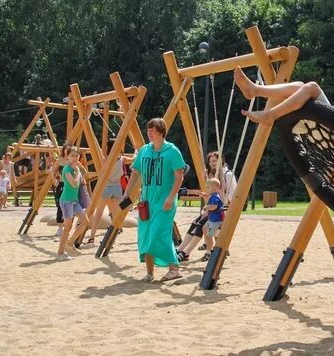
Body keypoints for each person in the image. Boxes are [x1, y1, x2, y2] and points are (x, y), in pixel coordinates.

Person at [234, 59, 334, 132]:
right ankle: (255, 90)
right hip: (333, 127)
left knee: (312, 87)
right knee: (300, 86)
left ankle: (269, 115)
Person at [121, 118, 186, 282]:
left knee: (159, 234)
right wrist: (126, 194)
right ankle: (150, 273)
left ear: (161, 132)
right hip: (147, 202)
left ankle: (174, 268)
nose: (149, 134)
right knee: (145, 235)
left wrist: (171, 198)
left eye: (153, 131)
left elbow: (179, 176)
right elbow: (135, 173)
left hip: (165, 201)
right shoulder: (144, 150)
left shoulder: (172, 151)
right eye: (148, 130)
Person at [175, 151, 237, 261]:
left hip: (223, 210)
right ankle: (181, 249)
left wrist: (223, 194)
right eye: (210, 161)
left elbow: (234, 196)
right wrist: (205, 182)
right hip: (214, 209)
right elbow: (211, 195)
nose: (212, 163)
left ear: (221, 160)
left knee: (201, 225)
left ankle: (186, 252)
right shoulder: (214, 175)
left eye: (215, 160)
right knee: (195, 223)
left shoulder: (228, 175)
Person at [83, 138, 130, 247]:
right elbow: (134, 159)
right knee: (116, 214)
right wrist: (137, 150)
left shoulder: (105, 160)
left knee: (98, 213)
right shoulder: (122, 159)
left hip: (106, 186)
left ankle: (92, 238)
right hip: (117, 187)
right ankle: (111, 239)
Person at [56, 146, 89, 260]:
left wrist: (80, 169)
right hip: (66, 201)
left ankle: (70, 244)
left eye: (77, 155)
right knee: (67, 227)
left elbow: (85, 175)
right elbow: (74, 183)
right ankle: (60, 253)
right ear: (67, 156)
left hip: (75, 201)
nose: (75, 158)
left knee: (85, 222)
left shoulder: (76, 168)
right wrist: (78, 171)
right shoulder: (66, 169)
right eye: (72, 155)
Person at [201, 177, 224, 257]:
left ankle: (208, 252)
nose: (207, 189)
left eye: (208, 187)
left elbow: (214, 206)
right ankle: (207, 243)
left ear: (215, 188)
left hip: (216, 220)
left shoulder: (215, 197)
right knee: (204, 228)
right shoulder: (212, 196)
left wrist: (207, 207)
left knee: (210, 236)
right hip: (211, 220)